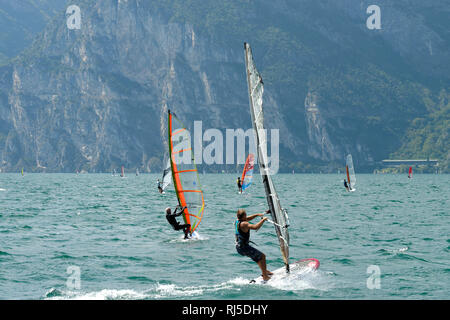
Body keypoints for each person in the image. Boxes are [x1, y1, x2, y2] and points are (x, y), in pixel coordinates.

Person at [235, 208, 273, 281]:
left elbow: (248, 218)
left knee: (257, 259)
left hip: (239, 247)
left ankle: (264, 271)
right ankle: (265, 276)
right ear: (243, 216)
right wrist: (263, 220)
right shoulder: (244, 224)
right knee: (262, 256)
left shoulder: (237, 221)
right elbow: (255, 227)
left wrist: (257, 214)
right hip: (244, 247)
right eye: (245, 215)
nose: (246, 217)